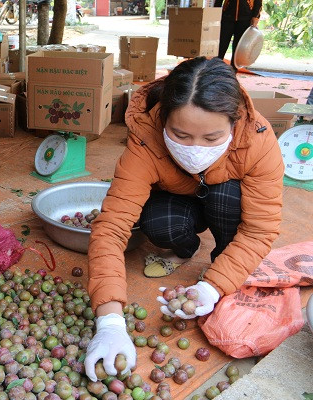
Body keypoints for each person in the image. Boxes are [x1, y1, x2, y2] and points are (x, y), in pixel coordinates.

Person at [84, 57, 283, 381]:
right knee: (158, 222)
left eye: (211, 138)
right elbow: (112, 227)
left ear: (235, 123)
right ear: (163, 119)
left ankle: (222, 270)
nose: (194, 148)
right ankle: (183, 249)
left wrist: (212, 288)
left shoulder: (257, 141)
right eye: (181, 134)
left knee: (228, 200)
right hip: (178, 197)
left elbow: (259, 230)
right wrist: (110, 321)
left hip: (223, 199)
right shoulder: (146, 140)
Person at [215, 0, 262, 69]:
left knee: (239, 48)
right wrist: (216, 12)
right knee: (221, 45)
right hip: (227, 16)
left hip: (246, 18)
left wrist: (255, 16)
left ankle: (233, 72)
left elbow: (258, 2)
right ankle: (215, 69)